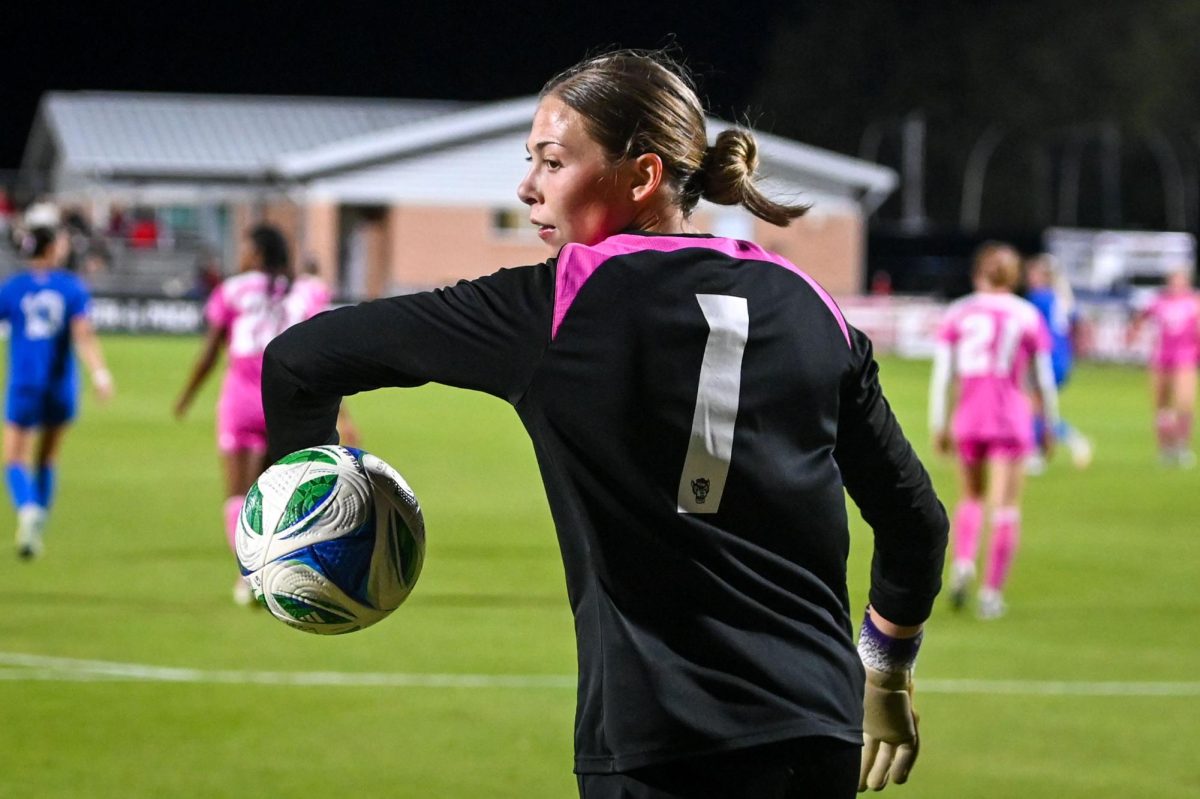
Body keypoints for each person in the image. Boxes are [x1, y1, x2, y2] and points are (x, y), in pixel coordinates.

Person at [261, 50, 947, 798]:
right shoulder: (812, 302)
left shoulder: (557, 304)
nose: (526, 187)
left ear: (642, 176)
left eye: (552, 162)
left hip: (660, 749)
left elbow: (299, 362)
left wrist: (310, 523)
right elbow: (915, 520)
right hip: (817, 736)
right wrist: (884, 671)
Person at [174, 223, 355, 605]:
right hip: (288, 400)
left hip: (240, 398)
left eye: (244, 248)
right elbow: (324, 353)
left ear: (256, 253)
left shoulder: (234, 290)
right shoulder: (307, 291)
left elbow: (210, 352)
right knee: (275, 496)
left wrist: (188, 395)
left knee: (238, 496)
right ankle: (286, 572)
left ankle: (249, 575)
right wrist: (344, 414)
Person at [930, 242, 1058, 619]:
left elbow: (942, 377)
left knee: (970, 496)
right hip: (1010, 418)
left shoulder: (958, 313)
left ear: (977, 273)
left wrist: (940, 422)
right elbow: (1044, 379)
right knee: (1006, 507)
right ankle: (990, 593)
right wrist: (1048, 422)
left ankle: (964, 561)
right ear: (1015, 276)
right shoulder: (1026, 314)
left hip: (969, 417)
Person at [0, 203, 114, 558]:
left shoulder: (12, 288)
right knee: (47, 457)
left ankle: (28, 509)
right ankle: (39, 523)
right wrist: (99, 373)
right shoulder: (71, 287)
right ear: (52, 247)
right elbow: (83, 335)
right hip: (60, 384)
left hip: (23, 381)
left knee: (14, 457)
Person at [1023, 253, 1092, 471]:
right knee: (1038, 408)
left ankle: (1056, 446)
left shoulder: (1039, 297)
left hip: (1046, 358)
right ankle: (1041, 452)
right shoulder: (1060, 298)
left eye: (1033, 273)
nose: (1029, 277)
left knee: (1033, 408)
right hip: (1063, 359)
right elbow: (1077, 324)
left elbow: (1030, 330)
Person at [1135, 266, 1199, 467]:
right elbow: (1140, 319)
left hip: (1186, 357)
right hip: (1161, 357)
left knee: (1184, 402)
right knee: (1162, 404)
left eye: (1181, 280)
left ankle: (1182, 445)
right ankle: (1165, 448)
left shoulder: (1194, 303)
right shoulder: (1158, 302)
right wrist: (1133, 333)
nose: (1177, 284)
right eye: (1174, 280)